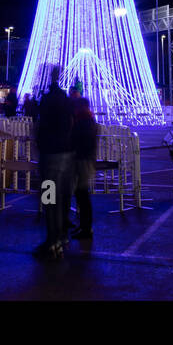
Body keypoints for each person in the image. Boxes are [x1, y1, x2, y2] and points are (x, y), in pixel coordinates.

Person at [33, 66, 73, 259]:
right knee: (64, 198)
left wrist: (40, 145)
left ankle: (52, 242)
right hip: (67, 158)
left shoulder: (47, 100)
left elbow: (41, 127)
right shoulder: (66, 100)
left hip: (50, 158)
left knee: (49, 200)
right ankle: (63, 237)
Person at [67, 82, 97, 240]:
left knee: (83, 195)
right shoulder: (86, 121)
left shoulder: (86, 122)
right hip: (83, 160)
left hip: (84, 161)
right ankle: (84, 226)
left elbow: (82, 141)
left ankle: (87, 228)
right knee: (80, 195)